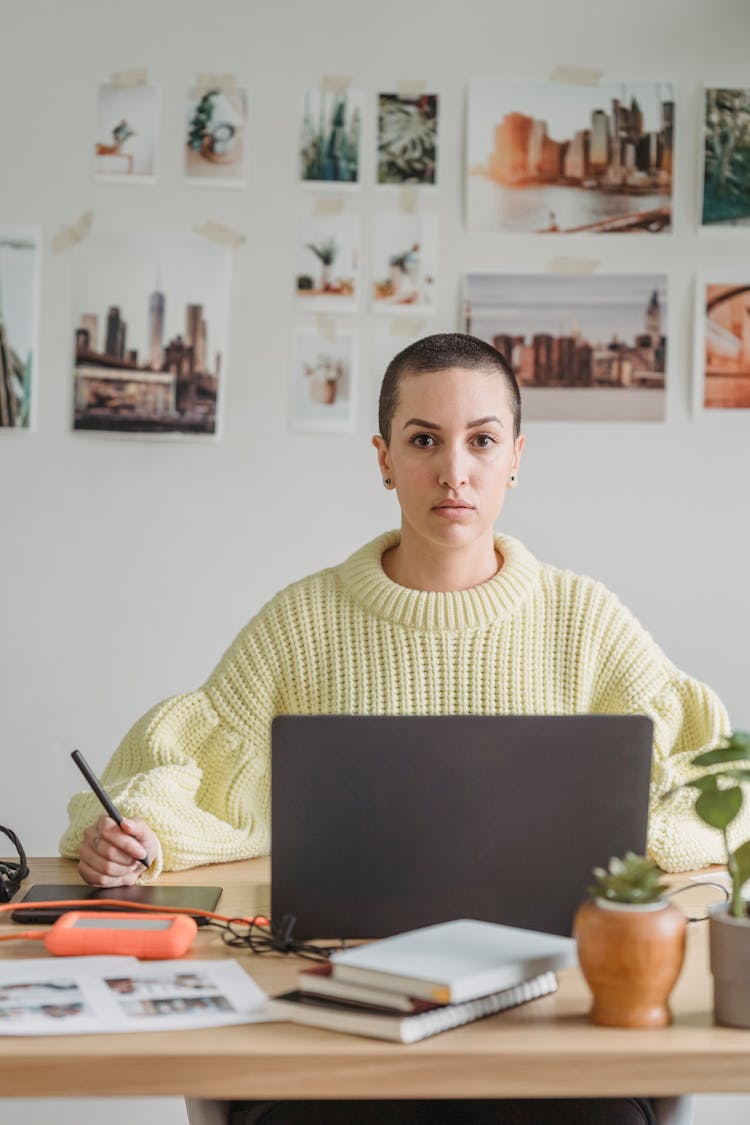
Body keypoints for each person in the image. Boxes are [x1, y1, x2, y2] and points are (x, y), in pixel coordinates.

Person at [60, 333, 739, 1125]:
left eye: (482, 440)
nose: (455, 470)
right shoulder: (300, 621)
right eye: (425, 440)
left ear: (516, 456)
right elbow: (191, 768)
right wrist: (132, 832)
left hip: (546, 1018)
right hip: (339, 1014)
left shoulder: (585, 619)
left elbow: (712, 772)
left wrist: (644, 838)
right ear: (384, 459)